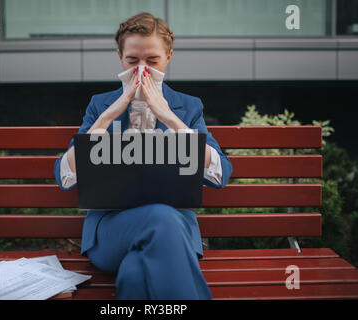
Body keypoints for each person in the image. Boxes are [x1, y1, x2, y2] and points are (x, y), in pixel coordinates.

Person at [54, 12, 233, 300]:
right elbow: (65, 176)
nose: (141, 71)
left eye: (152, 61)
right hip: (111, 233)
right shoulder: (99, 105)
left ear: (169, 56)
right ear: (119, 57)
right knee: (160, 217)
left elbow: (220, 174)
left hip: (176, 236)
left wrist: (169, 117)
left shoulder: (188, 107)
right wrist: (109, 115)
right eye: (132, 61)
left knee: (135, 275)